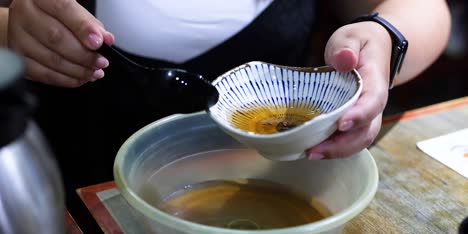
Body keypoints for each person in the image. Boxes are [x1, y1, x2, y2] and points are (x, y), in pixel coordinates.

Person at [0, 0, 451, 196]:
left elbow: (425, 10)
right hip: (72, 191)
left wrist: (384, 41)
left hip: (284, 179)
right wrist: (8, 30)